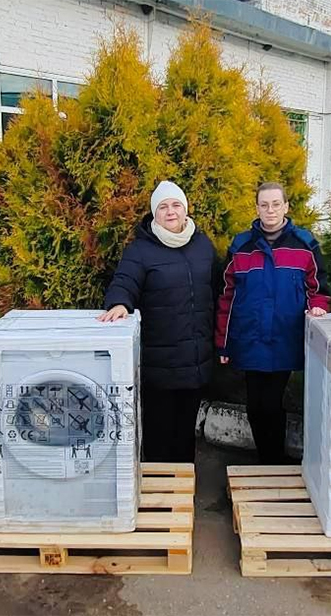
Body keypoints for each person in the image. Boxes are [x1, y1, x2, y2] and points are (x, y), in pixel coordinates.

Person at [99, 181, 219, 463]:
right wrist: (119, 303)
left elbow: (217, 289)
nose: (170, 212)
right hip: (159, 363)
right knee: (158, 434)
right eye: (163, 207)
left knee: (185, 433)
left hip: (194, 359)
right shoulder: (140, 250)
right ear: (155, 213)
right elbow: (124, 282)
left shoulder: (203, 245)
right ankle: (156, 483)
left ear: (185, 209)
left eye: (176, 205)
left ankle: (184, 482)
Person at [215, 182, 330, 464]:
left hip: (285, 338)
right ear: (256, 208)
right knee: (255, 406)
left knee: (272, 403)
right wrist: (223, 343)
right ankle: (265, 459)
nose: (270, 210)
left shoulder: (305, 244)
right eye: (264, 205)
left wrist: (318, 307)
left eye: (276, 204)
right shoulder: (241, 246)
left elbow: (318, 287)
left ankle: (273, 460)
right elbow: (226, 295)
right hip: (250, 337)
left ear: (286, 206)